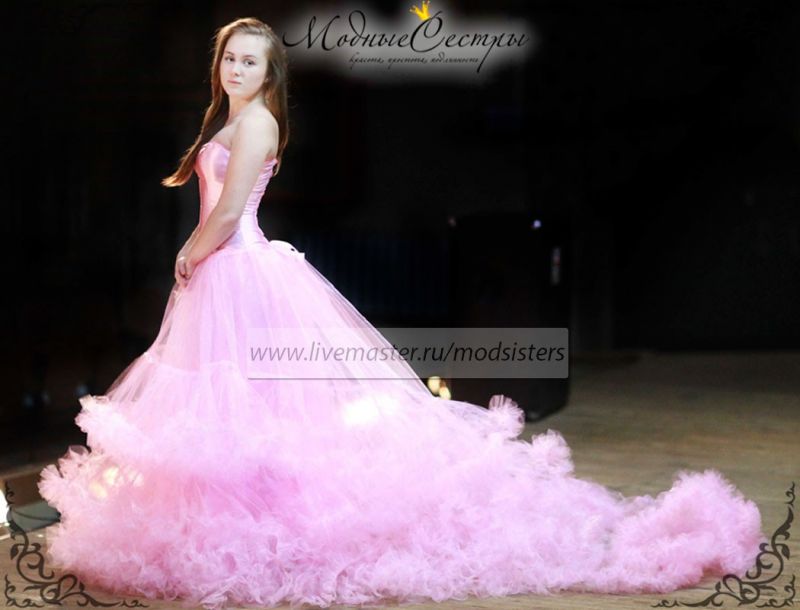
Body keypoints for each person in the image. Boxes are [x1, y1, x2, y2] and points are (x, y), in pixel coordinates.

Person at [38, 16, 766, 610]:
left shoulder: (256, 124)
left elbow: (228, 212)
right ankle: (235, 518)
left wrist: (190, 253)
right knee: (231, 408)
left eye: (250, 61)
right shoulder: (233, 120)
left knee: (253, 404)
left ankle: (275, 523)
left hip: (236, 266)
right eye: (230, 57)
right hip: (226, 273)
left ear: (269, 74)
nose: (237, 68)